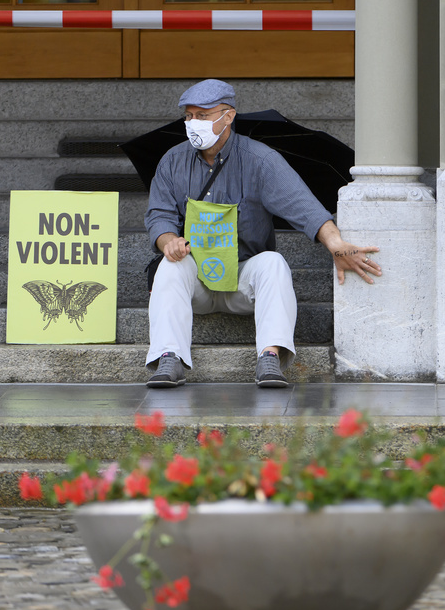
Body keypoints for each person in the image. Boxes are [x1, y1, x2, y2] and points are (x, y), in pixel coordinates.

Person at [144, 79, 381, 388]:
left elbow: (301, 205)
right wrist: (169, 242)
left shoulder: (261, 159)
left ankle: (269, 357)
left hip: (244, 276)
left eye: (202, 116)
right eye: (188, 116)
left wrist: (336, 244)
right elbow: (159, 214)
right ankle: (168, 358)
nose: (192, 124)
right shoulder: (172, 161)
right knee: (169, 265)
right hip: (197, 278)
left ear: (227, 117)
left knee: (274, 263)